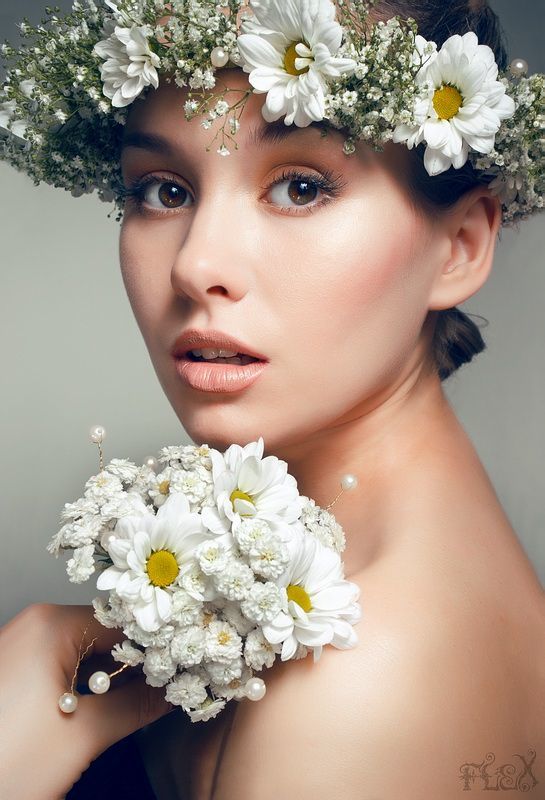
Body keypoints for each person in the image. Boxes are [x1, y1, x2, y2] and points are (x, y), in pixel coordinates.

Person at [1, 0, 544, 798]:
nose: (195, 266)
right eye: (162, 190)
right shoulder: (336, 591)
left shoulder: (357, 687)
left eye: (298, 186)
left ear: (458, 246)